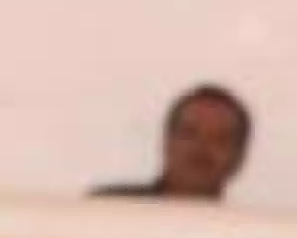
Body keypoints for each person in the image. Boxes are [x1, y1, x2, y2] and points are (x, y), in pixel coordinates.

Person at [91, 82, 252, 199]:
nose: (202, 148)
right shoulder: (109, 209)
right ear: (166, 141)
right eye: (190, 133)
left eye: (219, 139)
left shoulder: (243, 236)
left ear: (239, 155)